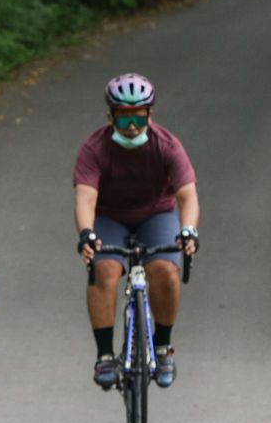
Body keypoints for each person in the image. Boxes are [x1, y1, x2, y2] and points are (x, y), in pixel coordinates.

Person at [74, 72, 199, 389]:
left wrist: (188, 230)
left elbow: (187, 196)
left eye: (138, 118)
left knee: (166, 270)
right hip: (109, 217)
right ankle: (105, 355)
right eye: (124, 118)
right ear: (110, 116)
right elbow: (86, 197)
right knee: (104, 269)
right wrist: (87, 233)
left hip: (156, 215)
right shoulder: (95, 148)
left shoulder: (167, 146)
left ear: (150, 115)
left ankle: (162, 345)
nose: (131, 126)